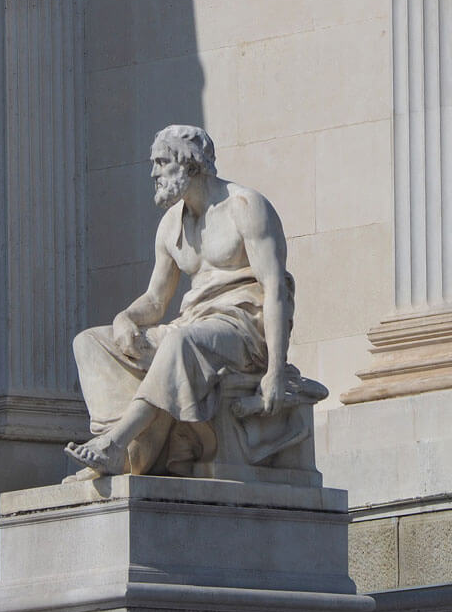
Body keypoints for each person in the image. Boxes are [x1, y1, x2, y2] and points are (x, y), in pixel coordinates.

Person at [64, 125, 294, 481]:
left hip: (243, 330)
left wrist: (275, 371)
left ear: (189, 165)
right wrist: (125, 318)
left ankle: (116, 442)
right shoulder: (170, 224)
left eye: (161, 162)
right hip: (193, 325)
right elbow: (156, 301)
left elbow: (276, 289)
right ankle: (132, 452)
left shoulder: (245, 207)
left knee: (180, 341)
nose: (153, 173)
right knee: (90, 342)